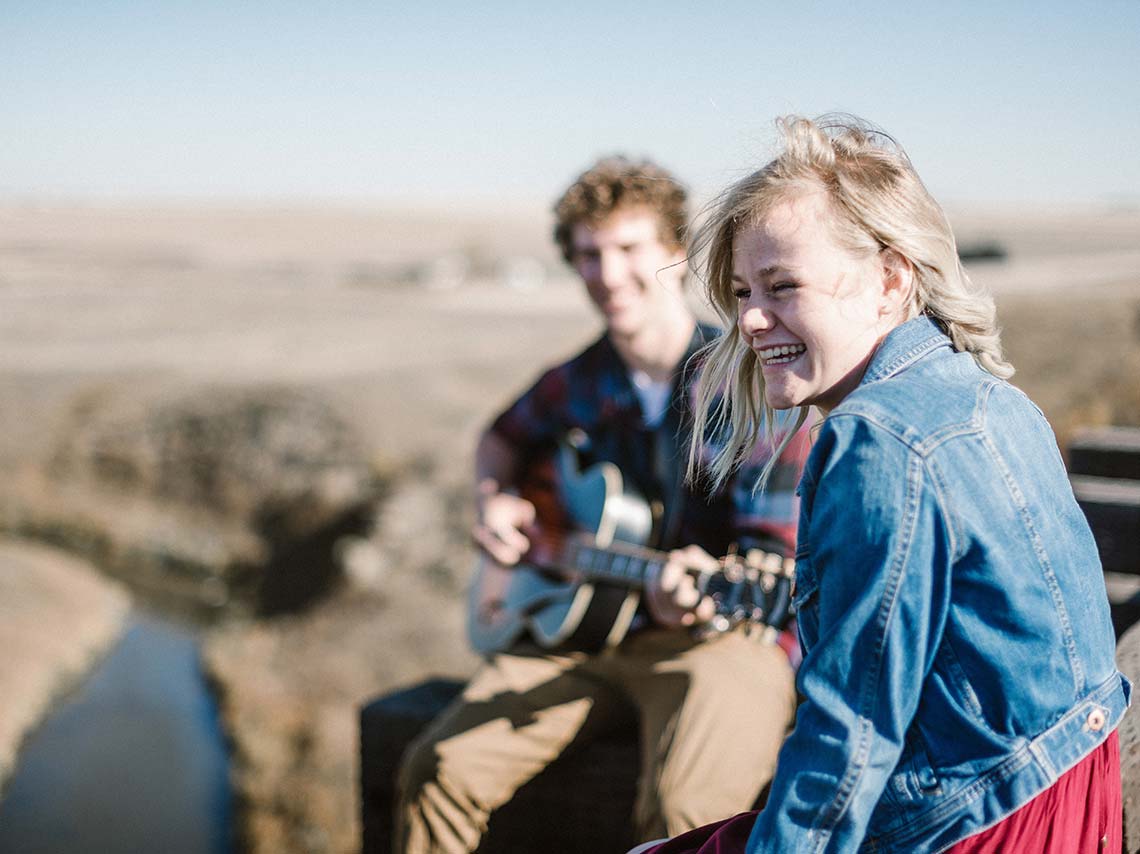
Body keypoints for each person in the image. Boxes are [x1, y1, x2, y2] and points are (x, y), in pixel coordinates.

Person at [631, 115, 1130, 854]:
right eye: (740, 293)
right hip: (1067, 796)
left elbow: (850, 734)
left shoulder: (876, 438)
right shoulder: (992, 397)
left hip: (979, 820)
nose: (752, 320)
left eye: (783, 285)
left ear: (891, 280)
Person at [395, 156, 812, 854]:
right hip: (582, 634)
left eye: (628, 249)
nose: (607, 273)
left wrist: (700, 591)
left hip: (715, 637)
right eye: (588, 254)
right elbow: (499, 440)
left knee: (689, 815)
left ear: (677, 253)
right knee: (436, 769)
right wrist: (493, 503)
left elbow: (769, 559)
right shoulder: (576, 380)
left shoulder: (747, 382)